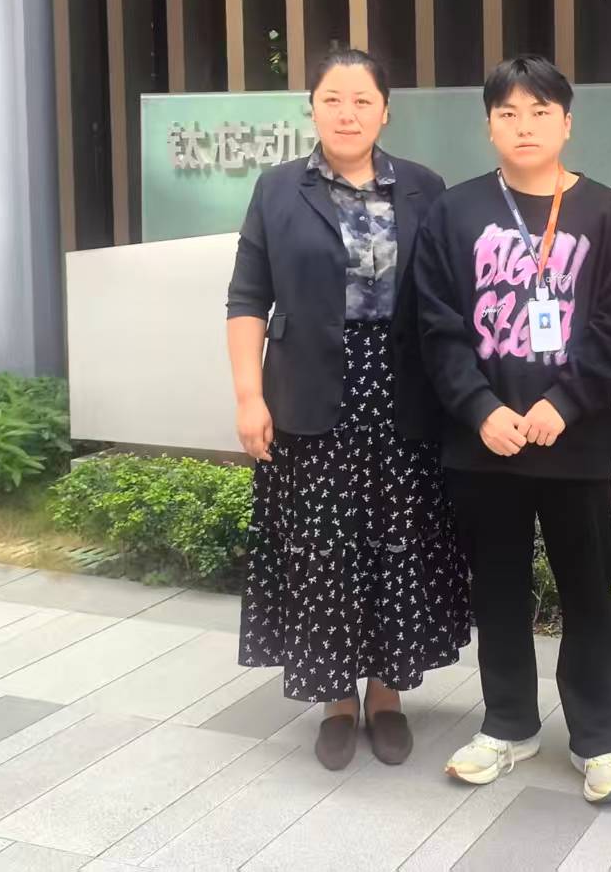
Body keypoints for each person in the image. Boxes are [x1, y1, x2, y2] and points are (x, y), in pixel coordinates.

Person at [225, 48, 470, 772]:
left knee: (399, 541)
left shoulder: (424, 187)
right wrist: (248, 395)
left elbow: (448, 298)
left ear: (385, 111)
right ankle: (335, 699)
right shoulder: (278, 189)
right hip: (309, 393)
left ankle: (387, 695)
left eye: (363, 100)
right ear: (312, 107)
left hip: (404, 392)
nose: (347, 113)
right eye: (333, 99)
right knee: (325, 546)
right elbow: (247, 297)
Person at [411, 55, 611, 803]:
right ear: (489, 125)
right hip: (485, 446)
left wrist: (563, 403)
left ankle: (597, 740)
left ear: (566, 122)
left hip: (576, 445)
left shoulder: (604, 211)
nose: (525, 125)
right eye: (508, 113)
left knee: (588, 595)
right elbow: (437, 325)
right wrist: (480, 408)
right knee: (498, 591)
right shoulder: (455, 211)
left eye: (540, 112)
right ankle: (508, 724)